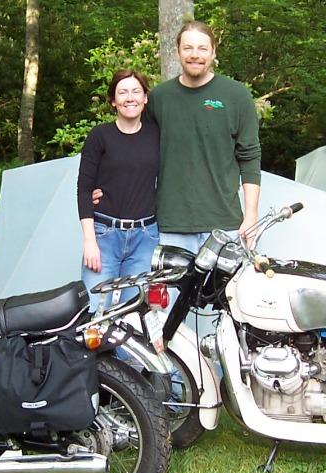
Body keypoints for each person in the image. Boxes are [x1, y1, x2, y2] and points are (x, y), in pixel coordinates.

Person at [94, 22, 261, 254]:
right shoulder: (159, 98)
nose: (195, 55)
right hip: (170, 228)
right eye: (188, 48)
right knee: (168, 292)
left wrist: (251, 215)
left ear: (213, 52)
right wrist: (105, 188)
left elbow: (250, 158)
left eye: (202, 48)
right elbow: (134, 147)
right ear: (178, 52)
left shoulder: (236, 95)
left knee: (227, 292)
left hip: (226, 227)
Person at [77, 69, 160, 312]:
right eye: (122, 92)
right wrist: (89, 241)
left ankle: (121, 353)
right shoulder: (100, 136)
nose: (130, 98)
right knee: (94, 311)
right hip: (105, 235)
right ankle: (91, 353)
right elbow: (84, 190)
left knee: (133, 315)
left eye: (136, 91)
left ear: (145, 98)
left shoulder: (157, 134)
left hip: (145, 238)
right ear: (113, 101)